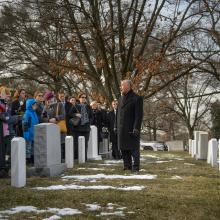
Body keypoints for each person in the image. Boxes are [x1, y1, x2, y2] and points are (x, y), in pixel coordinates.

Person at [117, 80, 143, 172]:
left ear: (128, 86)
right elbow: (118, 115)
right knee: (123, 148)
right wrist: (116, 127)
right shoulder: (120, 99)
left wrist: (136, 128)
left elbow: (138, 115)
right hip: (121, 128)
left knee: (134, 149)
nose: (120, 87)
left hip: (131, 128)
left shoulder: (137, 98)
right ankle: (127, 166)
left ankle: (135, 167)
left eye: (122, 85)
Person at [68, 93, 92, 160]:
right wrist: (76, 114)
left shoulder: (88, 106)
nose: (84, 98)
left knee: (85, 144)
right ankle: (77, 157)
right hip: (78, 128)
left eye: (85, 97)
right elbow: (70, 114)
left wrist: (89, 122)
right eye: (82, 97)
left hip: (86, 128)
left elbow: (91, 116)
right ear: (79, 98)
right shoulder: (76, 105)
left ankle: (84, 158)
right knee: (77, 144)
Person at [22, 99, 39, 165]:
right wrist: (26, 133)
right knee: (28, 148)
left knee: (33, 148)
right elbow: (25, 124)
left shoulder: (34, 112)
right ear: (30, 105)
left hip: (34, 133)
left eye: (35, 104)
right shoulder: (27, 113)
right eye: (34, 105)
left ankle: (32, 160)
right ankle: (28, 161)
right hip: (29, 133)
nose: (35, 106)